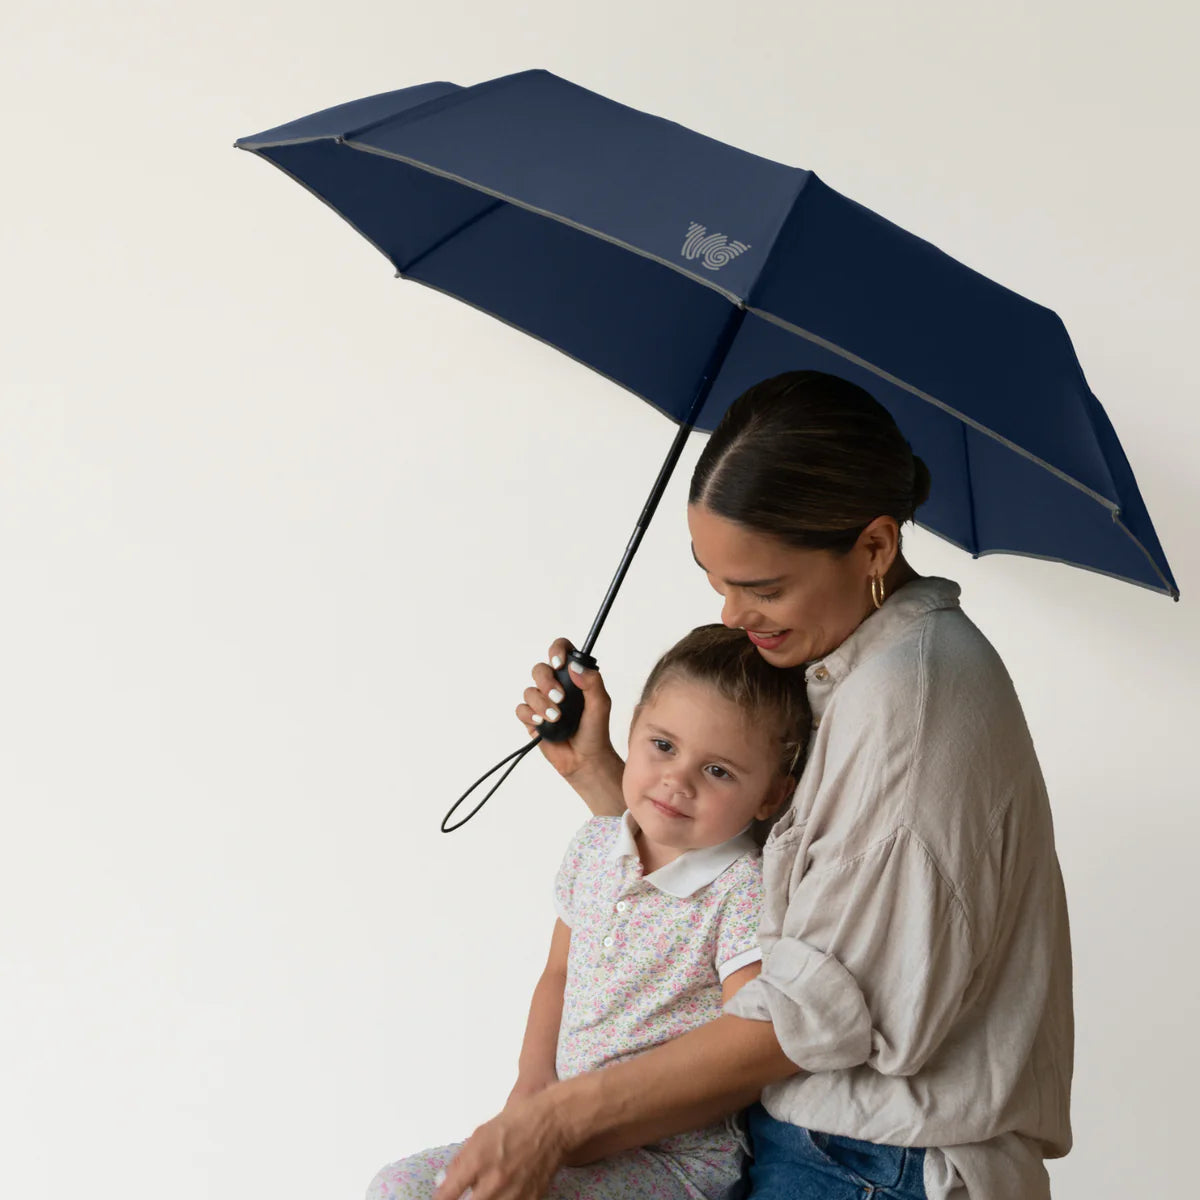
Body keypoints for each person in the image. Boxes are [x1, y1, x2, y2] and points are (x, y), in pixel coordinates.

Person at [433, 370, 1074, 1200]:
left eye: (763, 587)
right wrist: (604, 778)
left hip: (869, 1169)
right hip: (825, 1154)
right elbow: (771, 900)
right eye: (716, 581)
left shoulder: (909, 703)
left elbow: (806, 1016)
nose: (733, 616)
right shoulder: (864, 670)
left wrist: (551, 1120)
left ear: (875, 547)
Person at [366, 624, 812, 1200]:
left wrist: (574, 1128)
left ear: (772, 796)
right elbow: (558, 973)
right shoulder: (596, 847)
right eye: (663, 746)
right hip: (564, 1134)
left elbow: (741, 1052)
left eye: (718, 770)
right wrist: (532, 1085)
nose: (677, 781)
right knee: (398, 1186)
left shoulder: (742, 890)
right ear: (632, 730)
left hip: (671, 1161)